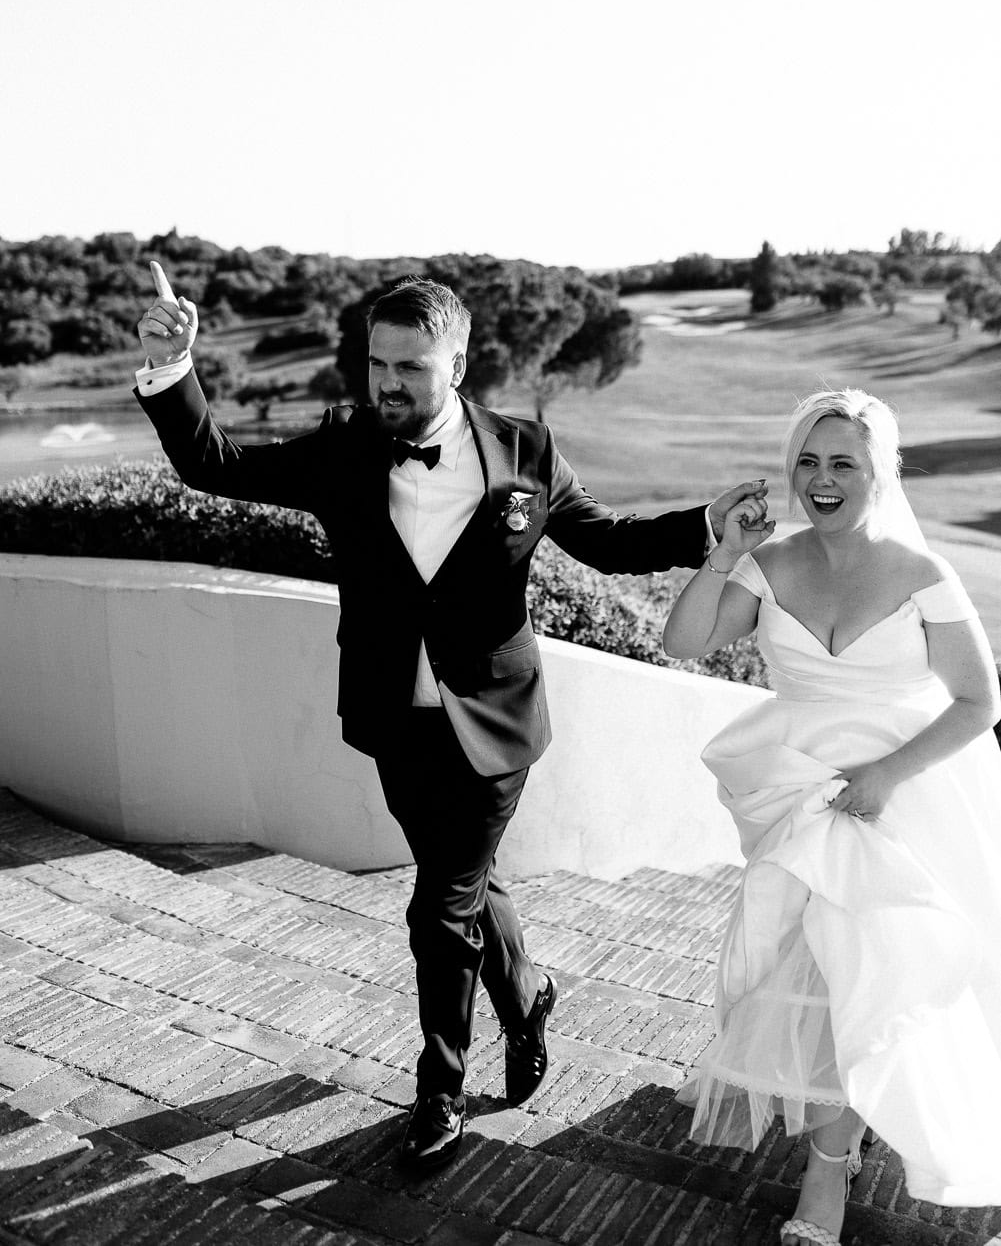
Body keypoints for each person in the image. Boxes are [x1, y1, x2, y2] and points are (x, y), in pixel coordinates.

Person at [134, 261, 768, 1171]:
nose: (387, 383)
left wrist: (703, 523)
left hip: (496, 719)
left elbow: (608, 544)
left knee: (439, 905)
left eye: (410, 368)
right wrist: (175, 368)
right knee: (462, 882)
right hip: (396, 717)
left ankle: (440, 1089)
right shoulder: (344, 449)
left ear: (458, 365)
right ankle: (529, 994)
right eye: (377, 363)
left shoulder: (526, 453)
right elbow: (213, 463)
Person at [663, 388, 1001, 1244]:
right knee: (812, 966)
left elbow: (976, 702)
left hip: (904, 796)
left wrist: (887, 774)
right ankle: (835, 1146)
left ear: (879, 472)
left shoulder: (925, 575)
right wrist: (722, 553)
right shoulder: (767, 562)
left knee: (872, 967)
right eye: (806, 462)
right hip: (798, 790)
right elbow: (684, 643)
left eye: (842, 462)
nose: (821, 479)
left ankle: (827, 1176)